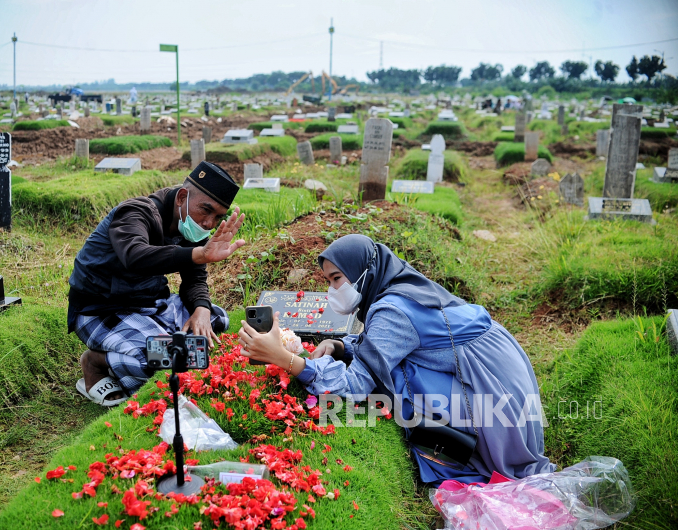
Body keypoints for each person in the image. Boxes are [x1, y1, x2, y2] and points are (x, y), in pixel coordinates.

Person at [239, 234, 555, 485]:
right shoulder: (400, 287)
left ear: (364, 272)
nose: (332, 289)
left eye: (337, 279)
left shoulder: (392, 309)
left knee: (403, 380)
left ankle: (478, 450)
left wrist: (285, 359)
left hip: (494, 394)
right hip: (499, 370)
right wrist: (339, 346)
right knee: (400, 369)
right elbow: (382, 343)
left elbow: (353, 387)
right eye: (329, 280)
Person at [68, 161, 246, 406]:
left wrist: (201, 309)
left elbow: (195, 278)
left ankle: (158, 337)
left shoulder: (189, 226)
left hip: (151, 304)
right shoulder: (135, 212)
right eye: (206, 210)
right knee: (159, 361)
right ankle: (95, 362)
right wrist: (198, 254)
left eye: (218, 217)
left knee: (217, 321)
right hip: (102, 310)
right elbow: (135, 256)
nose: (208, 224)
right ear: (182, 197)